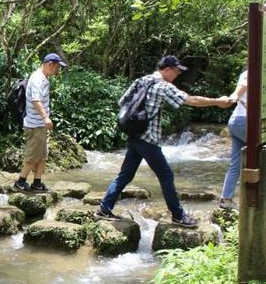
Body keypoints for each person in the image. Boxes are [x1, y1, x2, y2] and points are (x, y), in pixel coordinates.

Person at [95, 55, 234, 228]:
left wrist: (137, 119)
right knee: (166, 176)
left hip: (134, 136)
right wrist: (217, 102)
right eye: (176, 71)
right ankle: (178, 215)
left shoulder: (141, 80)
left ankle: (104, 209)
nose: (177, 75)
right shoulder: (162, 86)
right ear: (167, 69)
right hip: (148, 140)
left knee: (125, 175)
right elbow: (189, 100)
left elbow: (122, 102)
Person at [13, 53, 67, 191]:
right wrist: (45, 118)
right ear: (50, 64)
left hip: (40, 124)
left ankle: (37, 182)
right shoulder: (37, 79)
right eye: (57, 67)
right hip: (34, 124)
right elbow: (35, 100)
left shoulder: (44, 78)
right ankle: (20, 181)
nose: (58, 70)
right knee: (32, 156)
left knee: (42, 156)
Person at [220, 68, 248, 210]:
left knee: (236, 163)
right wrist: (233, 97)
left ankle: (226, 199)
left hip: (236, 121)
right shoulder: (251, 73)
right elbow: (240, 89)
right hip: (245, 121)